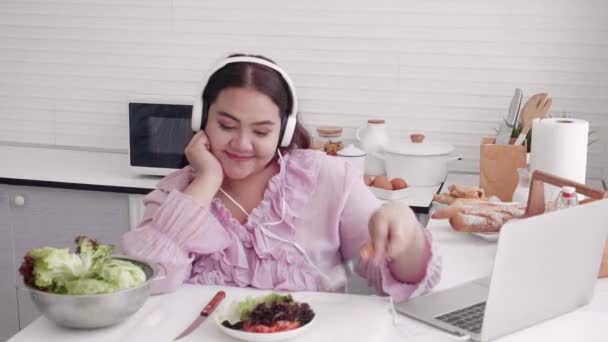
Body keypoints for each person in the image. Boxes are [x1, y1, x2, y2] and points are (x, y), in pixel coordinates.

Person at [122, 54, 441, 301]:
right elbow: (145, 282)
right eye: (227, 126)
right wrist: (206, 179)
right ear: (201, 119)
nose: (242, 144)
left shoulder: (328, 178)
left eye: (261, 131)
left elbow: (406, 280)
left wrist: (406, 230)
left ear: (284, 131)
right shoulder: (178, 192)